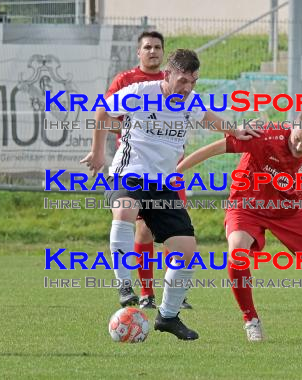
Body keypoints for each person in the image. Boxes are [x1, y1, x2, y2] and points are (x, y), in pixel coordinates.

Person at [81, 49, 261, 340]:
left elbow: (210, 119)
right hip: (129, 172)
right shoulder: (140, 91)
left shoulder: (190, 101)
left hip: (163, 184)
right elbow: (102, 109)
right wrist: (98, 152)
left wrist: (235, 130)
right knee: (125, 211)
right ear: (167, 75)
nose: (187, 88)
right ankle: (124, 285)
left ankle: (167, 316)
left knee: (187, 250)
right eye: (182, 81)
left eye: (193, 82)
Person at [176, 111, 302, 342]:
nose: (298, 146)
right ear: (291, 128)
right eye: (296, 138)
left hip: (289, 210)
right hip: (247, 204)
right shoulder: (263, 137)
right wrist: (175, 172)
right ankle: (251, 320)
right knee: (237, 251)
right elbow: (215, 148)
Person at [103, 30, 191, 310]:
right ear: (138, 52)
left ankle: (171, 299)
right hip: (133, 167)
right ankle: (141, 290)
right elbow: (106, 115)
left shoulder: (183, 88)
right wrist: (140, 132)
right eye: (147, 47)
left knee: (176, 237)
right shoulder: (129, 83)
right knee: (135, 224)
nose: (153, 51)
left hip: (166, 171)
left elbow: (202, 117)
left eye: (157, 47)